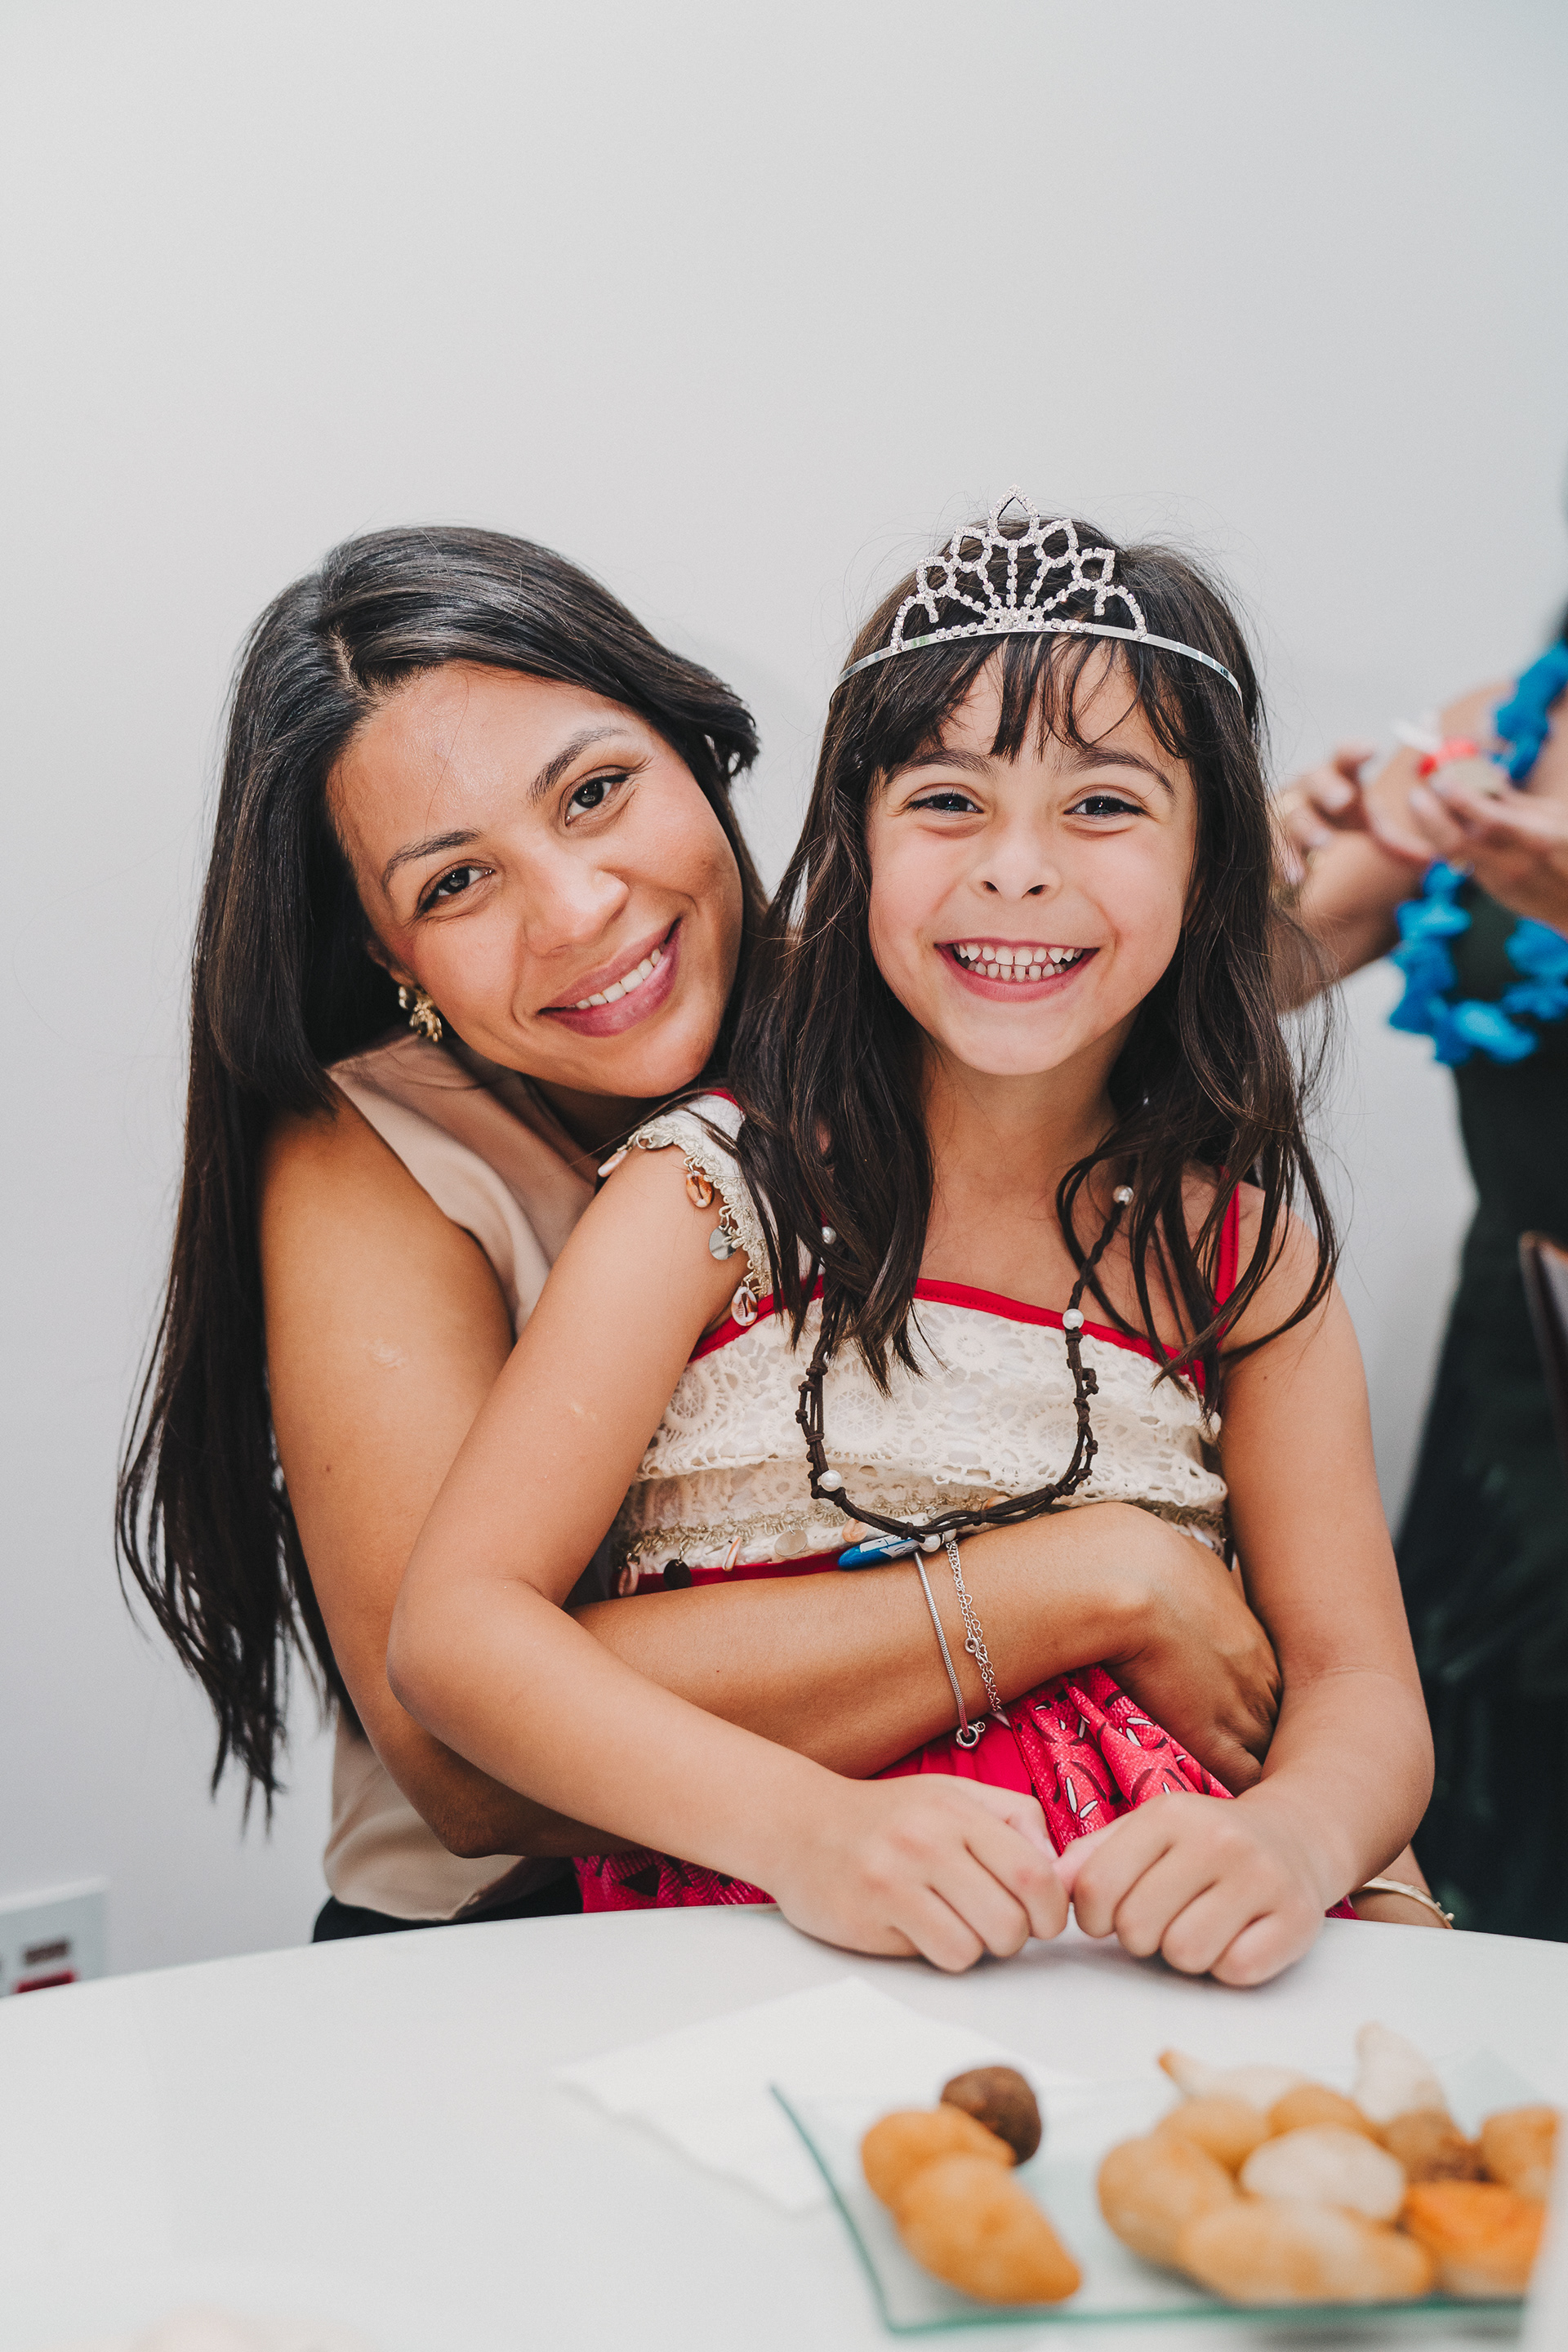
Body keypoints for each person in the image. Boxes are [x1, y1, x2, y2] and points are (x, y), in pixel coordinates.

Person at [118, 524, 1279, 1940]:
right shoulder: (375, 1152)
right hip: (523, 1941)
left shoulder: (923, 1003)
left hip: (981, 1891)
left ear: (699, 749)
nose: (578, 913)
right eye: (454, 883)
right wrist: (1090, 1584)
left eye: (595, 793)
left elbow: (1123, 964)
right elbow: (462, 1759)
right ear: (385, 952)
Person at [391, 497, 1437, 1984]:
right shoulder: (711, 1196)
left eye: (1104, 805)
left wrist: (1296, 1844)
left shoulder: (1248, 1265)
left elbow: (1360, 1691)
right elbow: (460, 1635)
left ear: (1210, 861)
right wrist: (806, 1830)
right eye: (948, 800)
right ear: (856, 839)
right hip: (765, 1962)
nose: (1017, 868)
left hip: (1153, 1970)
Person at [1276, 615, 1568, 1940]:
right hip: (1523, 1360)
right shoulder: (1502, 727)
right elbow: (1258, 978)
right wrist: (1241, 867)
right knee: (1492, 1790)